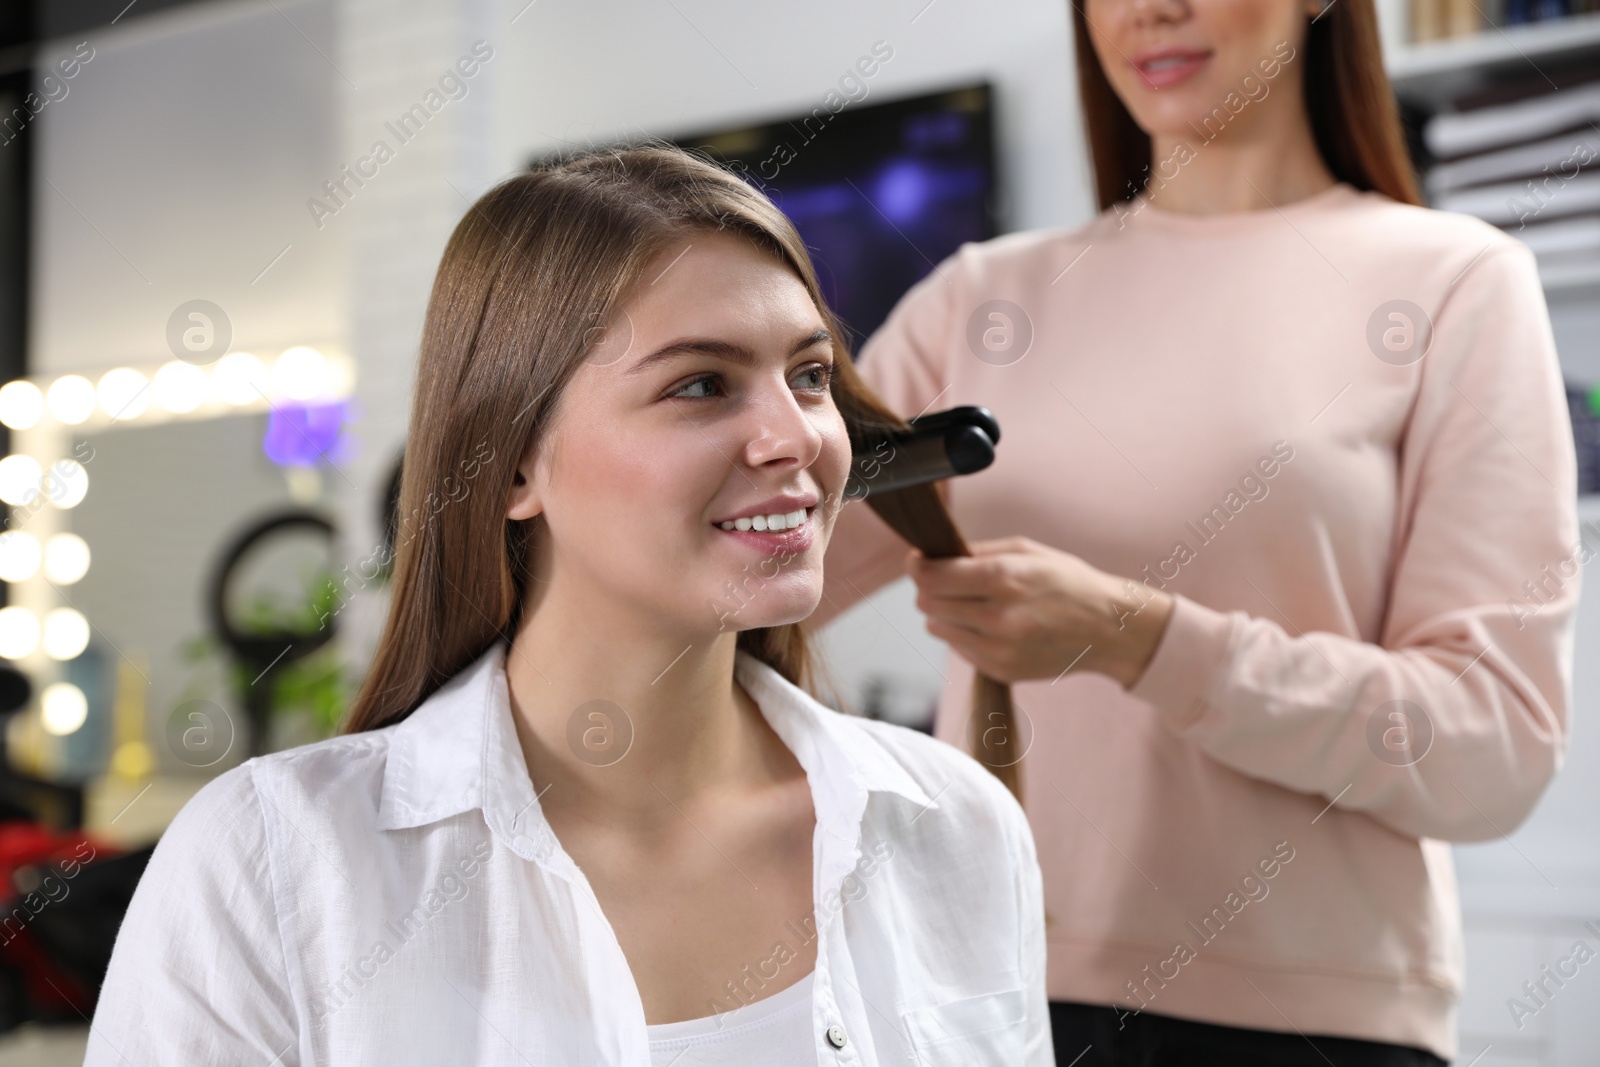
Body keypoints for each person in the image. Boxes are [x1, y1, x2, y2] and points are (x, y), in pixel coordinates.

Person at [84, 147, 1052, 1065]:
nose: (793, 435)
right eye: (701, 384)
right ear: (508, 465)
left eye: (806, 375)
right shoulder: (275, 860)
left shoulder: (954, 822)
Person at [809, 1, 1580, 1065]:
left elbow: (1492, 750)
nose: (1148, 9)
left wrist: (1143, 638)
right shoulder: (979, 299)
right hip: (981, 992)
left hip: (1302, 1024)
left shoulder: (1453, 279)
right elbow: (745, 574)